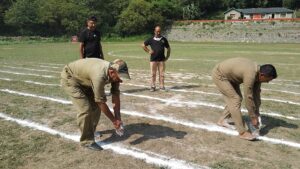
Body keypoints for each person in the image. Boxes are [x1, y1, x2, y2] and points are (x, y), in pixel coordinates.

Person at [61, 58, 130, 150]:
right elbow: (100, 102)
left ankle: (90, 131)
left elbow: (115, 96)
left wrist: (118, 117)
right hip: (71, 79)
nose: (120, 80)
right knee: (86, 109)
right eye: (119, 77)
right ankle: (86, 141)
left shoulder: (114, 76)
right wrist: (114, 121)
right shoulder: (99, 76)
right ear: (112, 72)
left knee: (96, 108)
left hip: (86, 81)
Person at [212, 58, 277, 141]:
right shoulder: (250, 75)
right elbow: (249, 97)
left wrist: (256, 113)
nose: (268, 82)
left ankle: (222, 120)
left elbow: (256, 96)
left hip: (231, 78)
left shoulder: (258, 75)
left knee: (237, 98)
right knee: (235, 99)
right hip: (220, 75)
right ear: (262, 75)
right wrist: (253, 117)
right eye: (268, 80)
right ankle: (242, 132)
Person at [142, 26, 171, 92]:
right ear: (154, 31)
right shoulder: (151, 39)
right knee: (153, 74)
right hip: (153, 60)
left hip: (161, 60)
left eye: (159, 31)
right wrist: (148, 51)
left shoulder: (164, 39)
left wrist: (167, 56)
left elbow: (168, 48)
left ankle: (162, 86)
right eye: (157, 31)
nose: (158, 33)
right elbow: (143, 45)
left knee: (162, 74)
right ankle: (153, 86)